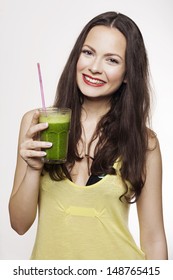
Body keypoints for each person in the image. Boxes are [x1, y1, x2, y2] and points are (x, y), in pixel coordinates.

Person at [9, 11, 168, 260]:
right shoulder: (37, 123)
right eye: (88, 52)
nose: (94, 67)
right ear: (77, 56)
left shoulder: (144, 141)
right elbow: (19, 225)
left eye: (112, 60)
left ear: (128, 74)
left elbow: (153, 237)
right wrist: (32, 169)